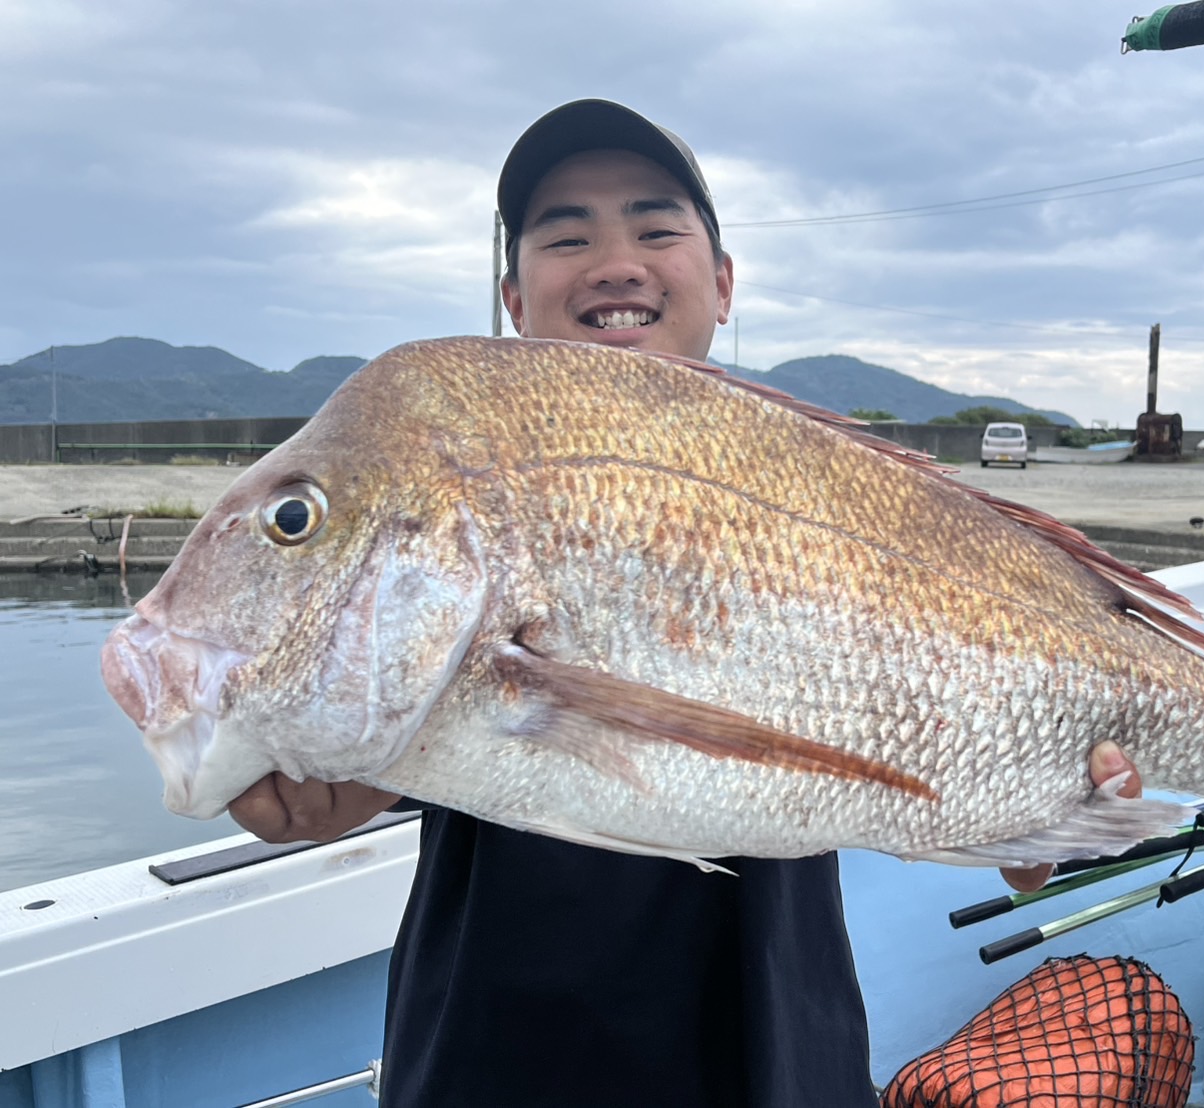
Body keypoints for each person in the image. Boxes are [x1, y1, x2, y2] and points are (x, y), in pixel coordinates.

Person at [227, 99, 1143, 1107]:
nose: (614, 262)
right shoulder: (462, 492)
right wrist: (319, 776)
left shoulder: (825, 488)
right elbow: (388, 739)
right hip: (497, 1053)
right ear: (513, 299)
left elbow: (926, 706)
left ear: (723, 282)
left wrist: (1035, 824)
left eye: (656, 228)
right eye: (566, 236)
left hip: (776, 1047)